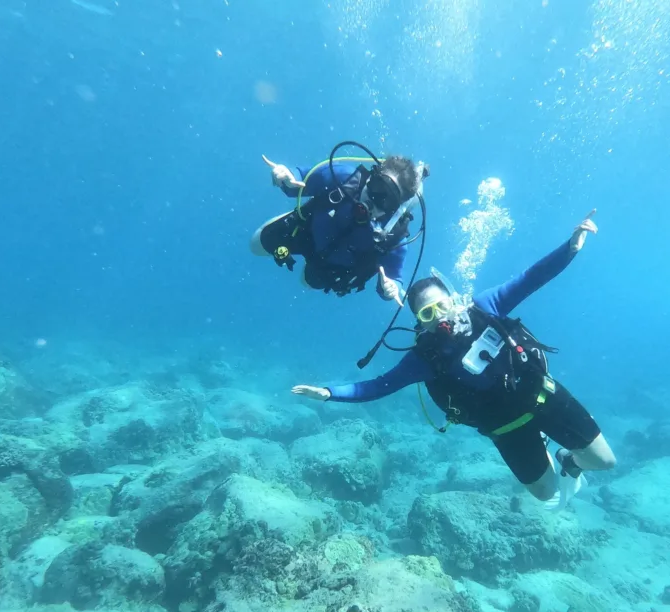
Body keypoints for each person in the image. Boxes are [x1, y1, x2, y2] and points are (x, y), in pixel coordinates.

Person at [291, 211, 616, 507]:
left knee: (604, 461)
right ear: (420, 320)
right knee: (546, 494)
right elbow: (377, 387)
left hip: (542, 395)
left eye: (442, 306)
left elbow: (532, 277)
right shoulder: (424, 357)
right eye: (428, 314)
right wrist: (330, 393)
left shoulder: (485, 307)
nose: (439, 318)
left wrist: (570, 248)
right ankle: (551, 457)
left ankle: (569, 462)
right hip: (505, 427)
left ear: (453, 300)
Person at [251, 151, 424, 302]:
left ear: (396, 209)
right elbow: (301, 180)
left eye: (386, 201)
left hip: (329, 268)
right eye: (377, 187)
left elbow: (393, 279)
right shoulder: (344, 178)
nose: (373, 200)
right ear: (371, 177)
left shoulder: (394, 236)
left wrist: (391, 289)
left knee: (306, 282)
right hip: (305, 231)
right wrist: (287, 177)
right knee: (255, 244)